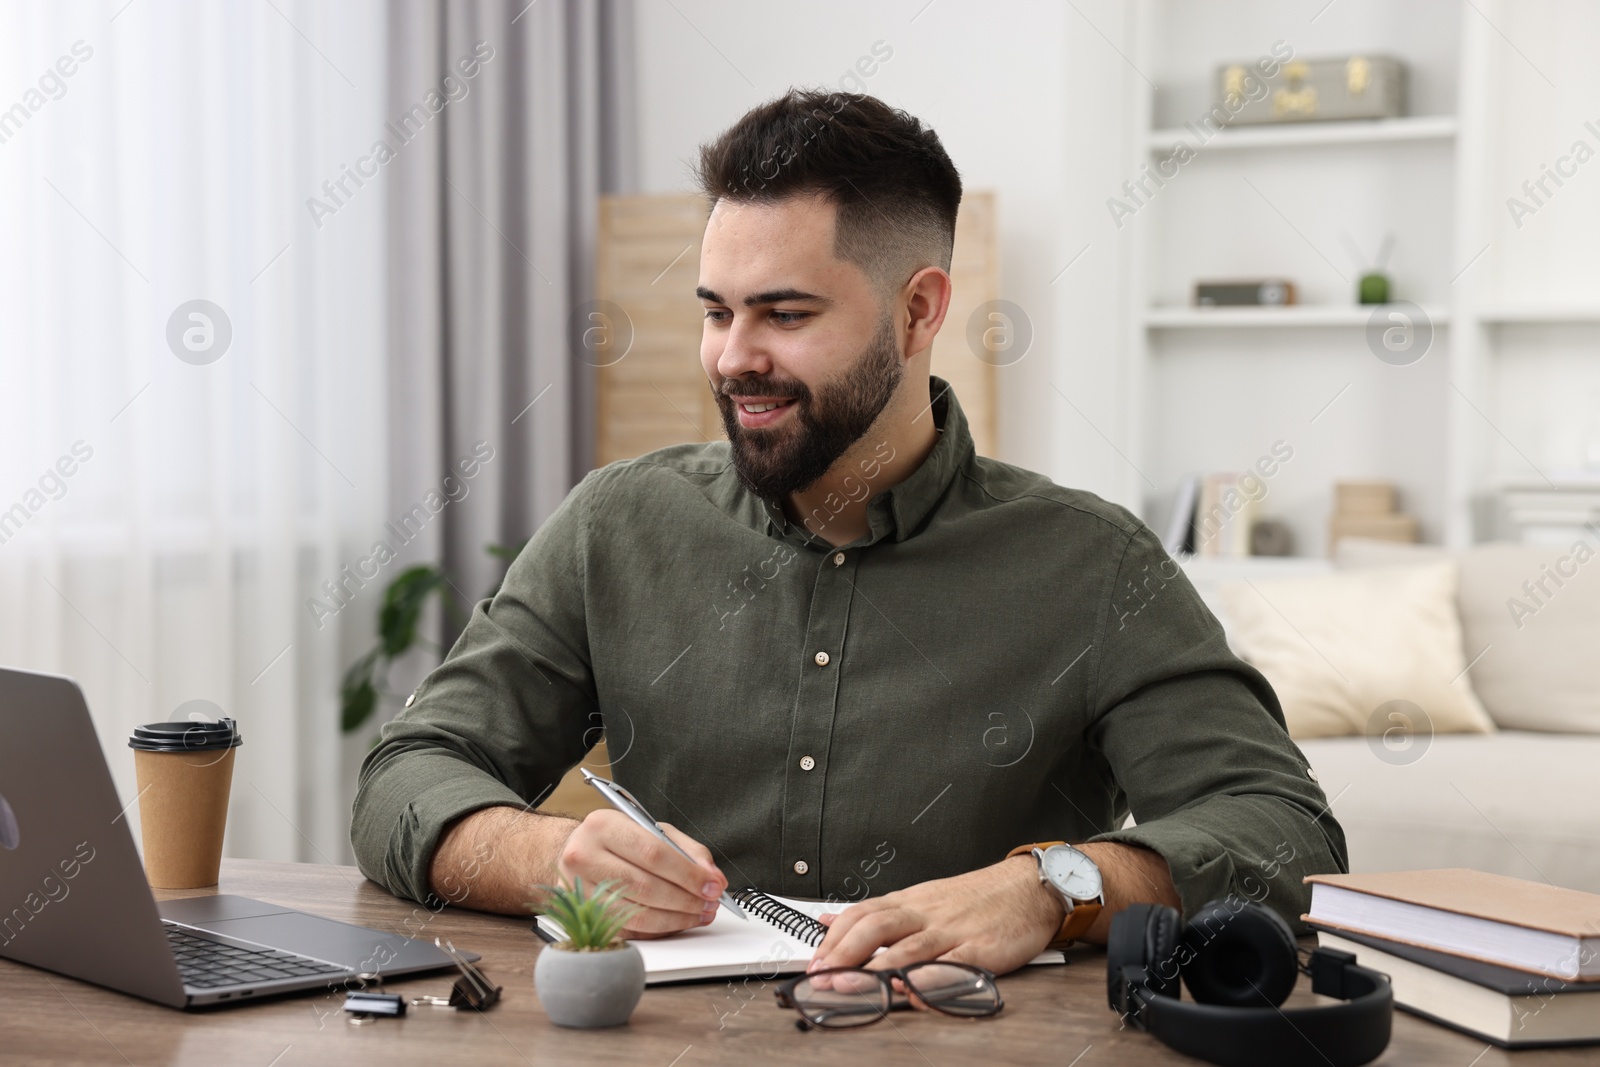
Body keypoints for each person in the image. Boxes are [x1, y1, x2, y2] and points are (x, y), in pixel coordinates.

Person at [352, 89, 1346, 977]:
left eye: (784, 313)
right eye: (715, 311)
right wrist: (542, 857)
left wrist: (1054, 885)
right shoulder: (617, 523)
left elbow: (1285, 831)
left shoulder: (1091, 564)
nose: (733, 358)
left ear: (918, 312)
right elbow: (406, 776)